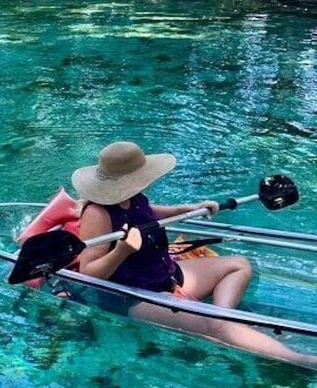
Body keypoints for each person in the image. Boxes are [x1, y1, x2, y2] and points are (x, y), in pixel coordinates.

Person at [71, 141, 317, 367]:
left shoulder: (132, 197)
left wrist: (189, 209)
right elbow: (89, 272)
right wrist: (122, 252)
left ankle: (224, 320)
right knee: (215, 325)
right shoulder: (98, 214)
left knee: (238, 265)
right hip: (136, 297)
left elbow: (150, 213)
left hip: (167, 275)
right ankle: (300, 360)